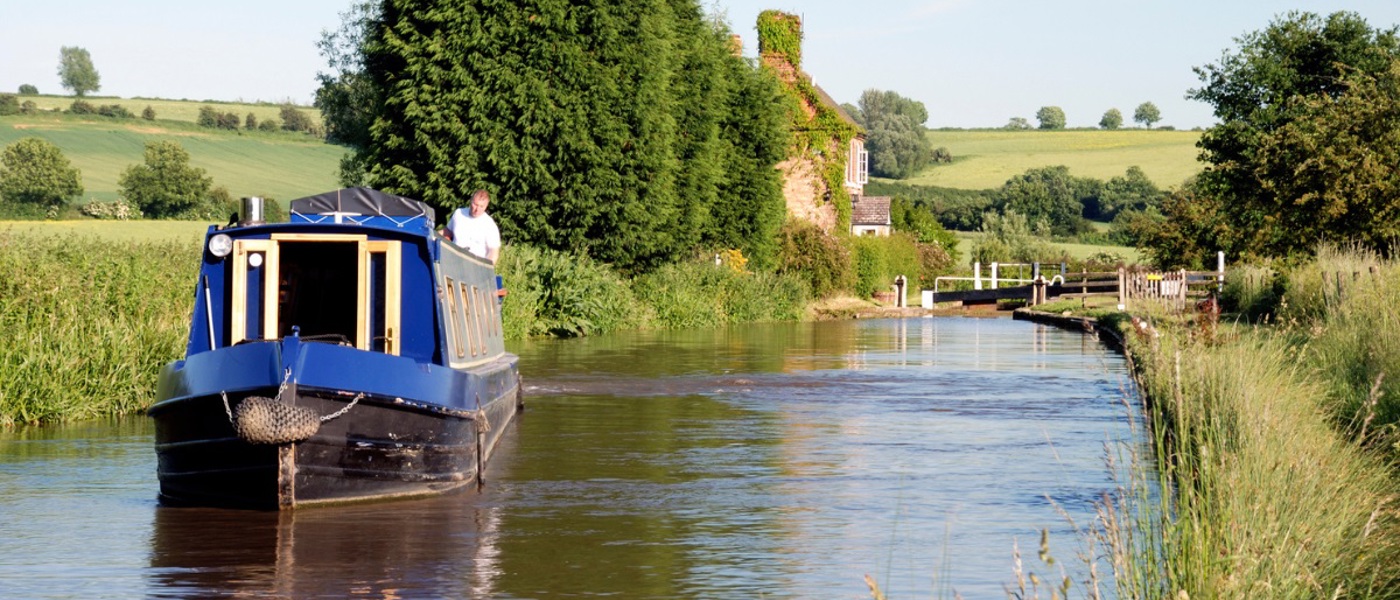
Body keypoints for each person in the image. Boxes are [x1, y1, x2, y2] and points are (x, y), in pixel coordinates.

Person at [442, 189, 501, 264]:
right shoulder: (459, 213)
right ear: (471, 201)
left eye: (481, 206)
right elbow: (447, 232)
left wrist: (485, 269)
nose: (477, 209)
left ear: (486, 206)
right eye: (475, 204)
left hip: (474, 266)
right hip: (453, 260)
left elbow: (493, 252)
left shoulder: (490, 225)